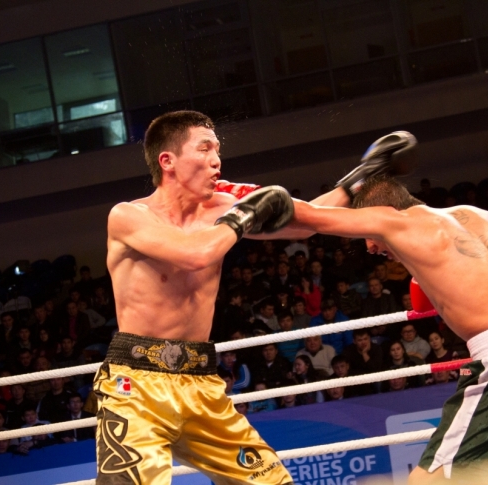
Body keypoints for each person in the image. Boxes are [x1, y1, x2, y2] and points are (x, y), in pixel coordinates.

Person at [98, 111, 412, 483]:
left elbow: (308, 220)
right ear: (168, 161)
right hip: (136, 384)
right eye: (204, 149)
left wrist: (362, 175)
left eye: (217, 149)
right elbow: (194, 253)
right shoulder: (129, 217)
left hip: (200, 382)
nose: (216, 160)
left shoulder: (225, 201)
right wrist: (243, 215)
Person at [291, 175, 488, 480]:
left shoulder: (395, 222)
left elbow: (307, 217)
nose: (375, 249)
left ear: (385, 212)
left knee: (426, 479)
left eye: (377, 247)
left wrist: (241, 205)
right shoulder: (479, 215)